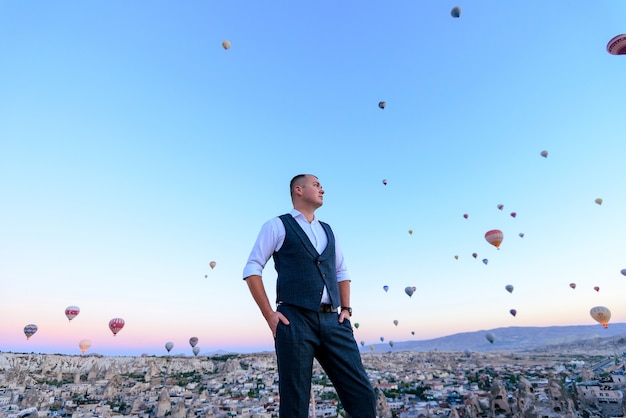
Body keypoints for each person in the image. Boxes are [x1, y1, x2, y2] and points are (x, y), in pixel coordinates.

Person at [243, 174, 377, 418]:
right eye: (316, 185)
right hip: (294, 320)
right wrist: (269, 315)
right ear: (298, 190)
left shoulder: (328, 230)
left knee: (363, 395)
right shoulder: (277, 225)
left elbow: (342, 272)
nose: (322, 189)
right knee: (295, 403)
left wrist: (346, 310)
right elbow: (252, 269)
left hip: (333, 321)